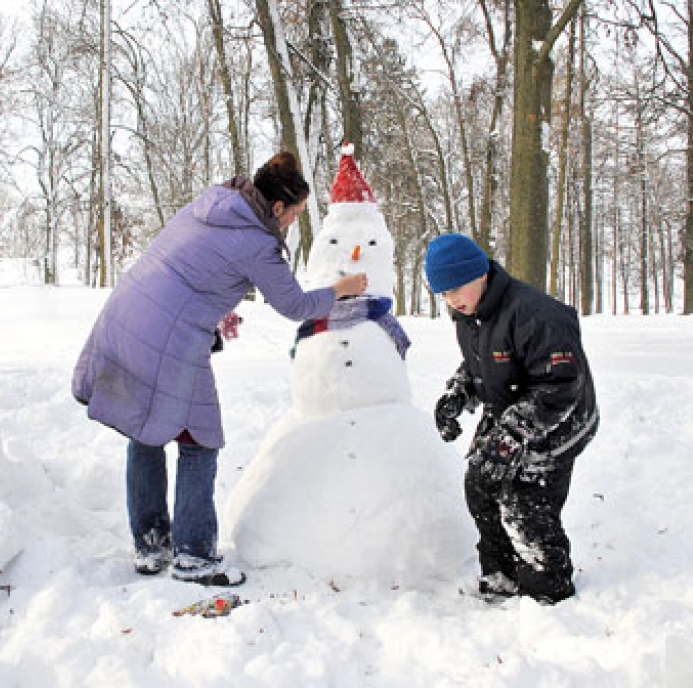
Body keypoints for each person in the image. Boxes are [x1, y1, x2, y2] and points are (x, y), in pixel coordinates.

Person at [72, 152, 368, 587]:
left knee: (145, 429)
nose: (293, 224)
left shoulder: (213, 205)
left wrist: (214, 309)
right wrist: (341, 289)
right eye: (296, 214)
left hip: (126, 314)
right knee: (199, 439)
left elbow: (191, 268)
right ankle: (194, 556)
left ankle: (152, 544)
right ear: (279, 207)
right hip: (167, 336)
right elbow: (295, 306)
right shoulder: (257, 242)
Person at [424, 233, 598, 605]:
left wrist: (511, 437)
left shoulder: (537, 315)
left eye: (456, 288)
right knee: (480, 483)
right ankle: (502, 576)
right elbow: (482, 364)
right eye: (444, 294)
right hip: (511, 409)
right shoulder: (469, 316)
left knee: (525, 499)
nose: (452, 300)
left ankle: (547, 590)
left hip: (559, 421)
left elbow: (562, 385)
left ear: (480, 273)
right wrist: (458, 394)